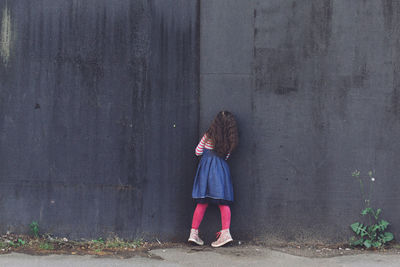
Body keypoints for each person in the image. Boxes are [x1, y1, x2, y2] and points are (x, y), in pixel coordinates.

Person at [188, 111, 239, 247]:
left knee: (202, 202)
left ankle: (193, 233)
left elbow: (197, 151)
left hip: (205, 172)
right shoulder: (229, 141)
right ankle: (225, 233)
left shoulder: (208, 135)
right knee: (223, 202)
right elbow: (226, 157)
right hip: (221, 171)